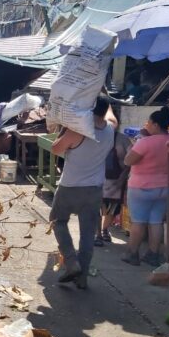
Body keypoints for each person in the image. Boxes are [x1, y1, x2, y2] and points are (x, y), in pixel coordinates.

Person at [50, 96, 118, 289]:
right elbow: (111, 116)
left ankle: (71, 262)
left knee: (57, 220)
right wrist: (101, 94)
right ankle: (82, 278)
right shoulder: (110, 130)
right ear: (105, 110)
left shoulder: (77, 131)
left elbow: (56, 149)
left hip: (70, 187)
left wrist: (64, 127)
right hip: (95, 189)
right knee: (87, 234)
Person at [122, 106, 169, 266]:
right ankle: (153, 254)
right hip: (166, 186)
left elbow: (128, 161)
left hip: (141, 186)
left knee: (139, 221)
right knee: (156, 221)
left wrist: (133, 145)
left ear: (156, 125)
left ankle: (132, 253)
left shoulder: (145, 142)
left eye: (149, 123)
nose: (146, 125)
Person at [95, 128, 132, 247]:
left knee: (107, 208)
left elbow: (131, 160)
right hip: (109, 180)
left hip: (110, 180)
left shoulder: (121, 139)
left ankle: (101, 232)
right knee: (104, 208)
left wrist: (123, 177)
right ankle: (101, 233)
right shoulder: (123, 139)